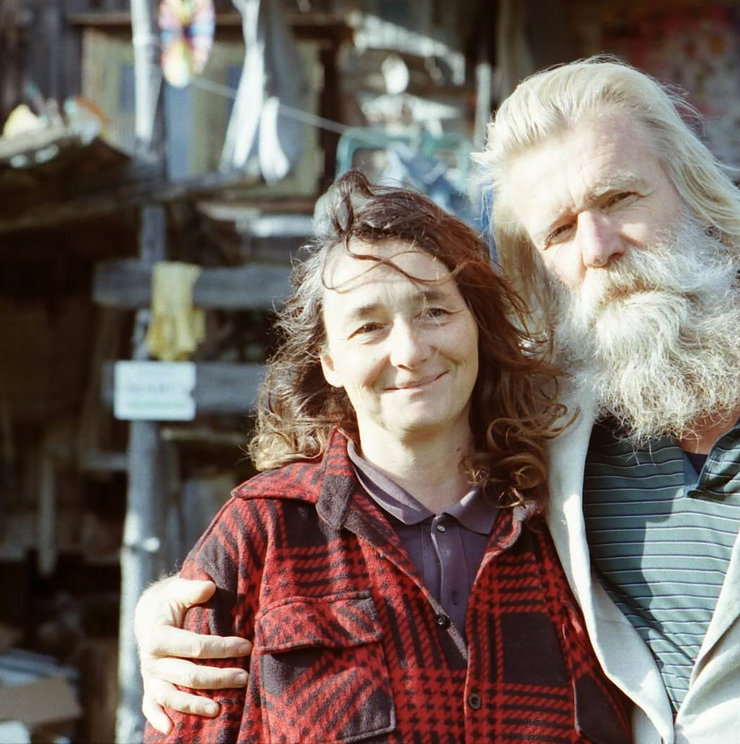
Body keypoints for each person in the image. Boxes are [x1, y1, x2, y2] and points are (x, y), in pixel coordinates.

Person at [138, 57, 740, 742]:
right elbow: (382, 464)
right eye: (559, 230)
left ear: (694, 189)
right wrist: (166, 613)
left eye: (620, 197)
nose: (598, 245)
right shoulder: (554, 415)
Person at [142, 174, 632, 743]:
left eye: (434, 312)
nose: (410, 351)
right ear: (329, 361)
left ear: (477, 325)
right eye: (369, 327)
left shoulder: (570, 518)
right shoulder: (262, 533)